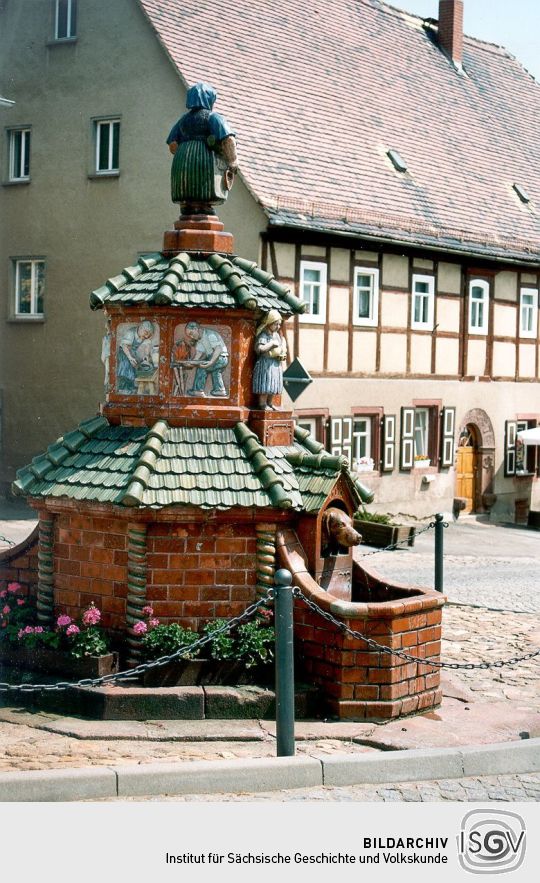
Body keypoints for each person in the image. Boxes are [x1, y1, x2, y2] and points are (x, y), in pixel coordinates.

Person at [166, 82, 238, 215]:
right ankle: (204, 207)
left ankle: (188, 206)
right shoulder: (213, 117)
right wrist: (232, 161)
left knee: (187, 187)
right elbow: (228, 139)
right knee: (205, 189)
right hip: (205, 161)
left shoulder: (183, 120)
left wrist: (185, 153)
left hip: (183, 162)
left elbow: (172, 145)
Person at [181, 321, 229, 397]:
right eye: (189, 336)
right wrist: (191, 363)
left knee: (202, 368)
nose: (191, 337)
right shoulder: (200, 339)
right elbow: (198, 354)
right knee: (216, 373)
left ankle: (198, 391)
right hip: (218, 358)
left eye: (191, 334)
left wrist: (211, 362)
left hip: (220, 358)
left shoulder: (210, 334)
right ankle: (220, 390)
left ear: (196, 329)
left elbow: (218, 349)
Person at [252, 309, 287, 410]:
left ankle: (270, 403)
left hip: (275, 363)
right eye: (276, 324)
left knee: (273, 383)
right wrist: (271, 344)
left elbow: (281, 346)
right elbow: (259, 349)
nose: (278, 327)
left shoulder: (276, 335)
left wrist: (283, 351)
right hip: (266, 363)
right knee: (266, 383)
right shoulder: (264, 335)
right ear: (269, 323)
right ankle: (262, 404)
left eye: (279, 324)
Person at [116, 321, 156, 393]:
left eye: (148, 335)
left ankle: (130, 387)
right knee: (126, 369)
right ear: (141, 328)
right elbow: (125, 346)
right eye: (146, 334)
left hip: (132, 352)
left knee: (135, 368)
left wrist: (146, 356)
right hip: (124, 352)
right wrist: (130, 358)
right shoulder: (130, 333)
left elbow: (147, 345)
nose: (146, 336)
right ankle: (123, 389)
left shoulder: (143, 335)